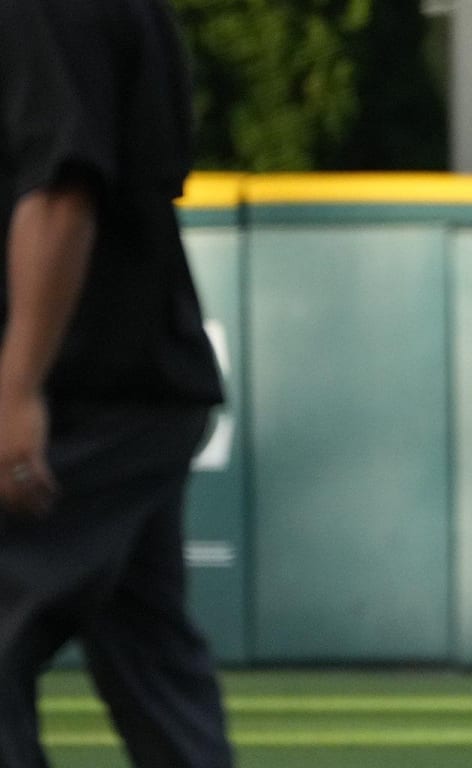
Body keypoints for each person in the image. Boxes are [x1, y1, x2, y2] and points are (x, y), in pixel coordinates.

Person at [0, 1, 235, 766]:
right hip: (131, 381)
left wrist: (17, 388)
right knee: (155, 677)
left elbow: (64, 193)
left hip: (88, 395)